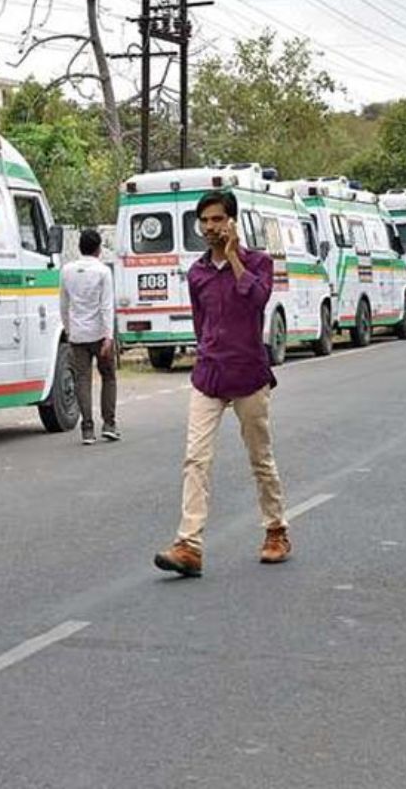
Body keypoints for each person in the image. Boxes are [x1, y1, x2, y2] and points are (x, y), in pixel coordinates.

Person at [154, 190, 290, 578]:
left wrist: (232, 258)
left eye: (217, 219)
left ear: (232, 220)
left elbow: (256, 301)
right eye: (205, 221)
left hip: (248, 375)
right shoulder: (196, 273)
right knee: (196, 459)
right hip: (209, 374)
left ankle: (276, 530)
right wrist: (207, 351)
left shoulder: (259, 263)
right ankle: (189, 545)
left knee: (260, 459)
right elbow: (202, 324)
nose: (210, 227)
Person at [60, 228, 118, 445]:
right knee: (108, 377)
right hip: (100, 334)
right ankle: (109, 424)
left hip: (77, 334)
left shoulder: (66, 271)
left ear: (80, 247)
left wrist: (68, 329)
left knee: (82, 379)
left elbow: (64, 304)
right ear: (99, 249)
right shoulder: (103, 271)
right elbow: (106, 306)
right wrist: (108, 336)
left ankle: (87, 428)